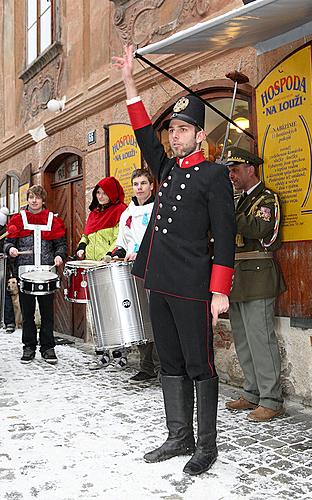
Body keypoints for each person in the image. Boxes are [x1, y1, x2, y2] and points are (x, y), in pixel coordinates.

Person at [112, 46, 235, 476]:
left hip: (193, 284)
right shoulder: (165, 169)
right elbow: (143, 130)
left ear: (200, 135)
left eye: (184, 130)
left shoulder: (215, 176)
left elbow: (225, 235)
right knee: (170, 361)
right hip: (159, 279)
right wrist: (129, 80)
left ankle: (206, 446)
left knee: (200, 363)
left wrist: (219, 289)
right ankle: (178, 435)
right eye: (173, 130)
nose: (175, 136)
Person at [224, 146, 286, 422]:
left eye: (235, 170)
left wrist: (225, 212)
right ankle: (251, 393)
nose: (232, 176)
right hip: (237, 277)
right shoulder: (237, 201)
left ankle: (271, 399)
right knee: (243, 338)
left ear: (251, 170)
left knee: (261, 339)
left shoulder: (266, 197)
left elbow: (258, 228)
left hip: (259, 275)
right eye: (229, 171)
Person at [4, 185, 67, 364]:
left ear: (43, 200)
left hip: (47, 273)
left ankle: (48, 348)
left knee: (47, 313)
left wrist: (59, 256)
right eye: (31, 197)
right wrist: (12, 249)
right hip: (25, 272)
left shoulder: (52, 220)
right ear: (27, 199)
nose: (34, 200)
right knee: (28, 312)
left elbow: (61, 245)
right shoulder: (18, 219)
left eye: (38, 197)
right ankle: (29, 347)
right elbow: (8, 242)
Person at [110, 168, 160, 384]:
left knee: (158, 318)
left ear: (151, 186)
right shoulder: (127, 213)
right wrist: (114, 253)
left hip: (157, 268)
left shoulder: (159, 209)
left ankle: (164, 367)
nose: (139, 188)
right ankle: (146, 366)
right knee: (140, 317)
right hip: (134, 270)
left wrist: (142, 253)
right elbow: (122, 241)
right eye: (136, 184)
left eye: (143, 183)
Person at [75, 176, 128, 370]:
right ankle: (103, 352)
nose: (101, 196)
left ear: (112, 193)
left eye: (105, 192)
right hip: (92, 267)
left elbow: (120, 236)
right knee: (95, 313)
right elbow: (86, 234)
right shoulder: (94, 213)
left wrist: (110, 253)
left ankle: (120, 352)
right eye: (98, 192)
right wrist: (82, 245)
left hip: (109, 265)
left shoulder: (120, 211)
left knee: (113, 311)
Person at [0, 206, 16, 333]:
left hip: (3, 264)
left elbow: (7, 245)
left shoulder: (6, 231)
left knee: (4, 292)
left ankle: (9, 321)